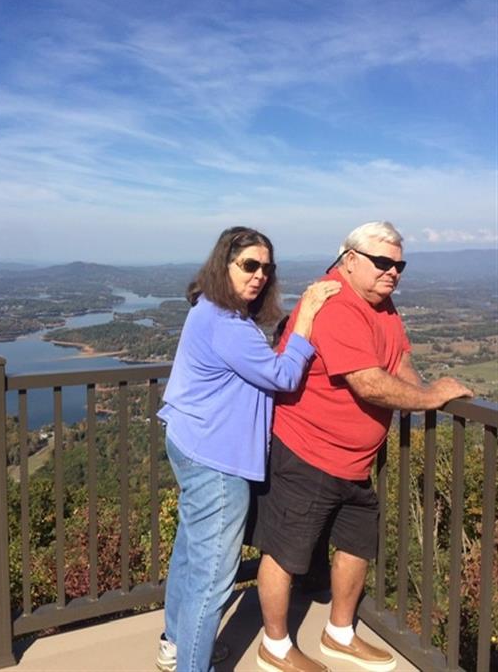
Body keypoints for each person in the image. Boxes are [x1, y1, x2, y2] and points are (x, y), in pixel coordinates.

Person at [254, 221, 473, 672]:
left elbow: (399, 359)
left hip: (355, 462)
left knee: (356, 545)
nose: (392, 272)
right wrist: (430, 398)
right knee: (285, 554)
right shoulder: (336, 303)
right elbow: (368, 382)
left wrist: (421, 389)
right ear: (350, 259)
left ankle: (339, 634)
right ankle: (273, 647)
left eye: (399, 265)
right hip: (307, 453)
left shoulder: (383, 305)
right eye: (382, 262)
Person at [155, 226, 341, 672]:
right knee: (213, 581)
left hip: (189, 441)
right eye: (249, 265)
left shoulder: (209, 307)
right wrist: (309, 316)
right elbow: (283, 376)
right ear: (226, 265)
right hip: (217, 460)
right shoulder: (226, 325)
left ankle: (175, 644)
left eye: (266, 268)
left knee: (189, 552)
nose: (259, 276)